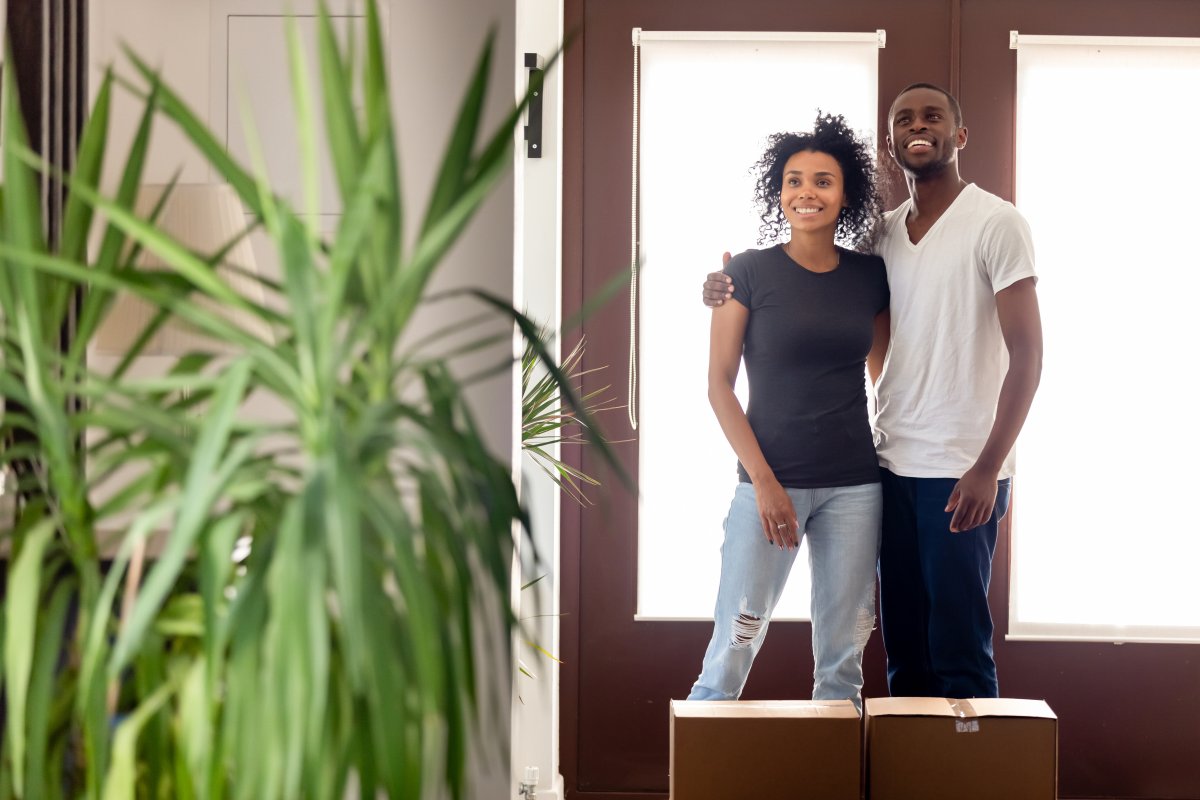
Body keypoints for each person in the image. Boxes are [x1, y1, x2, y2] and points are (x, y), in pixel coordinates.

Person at [702, 84, 1043, 699]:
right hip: (886, 465)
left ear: (958, 135)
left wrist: (989, 465)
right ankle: (903, 774)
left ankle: (971, 776)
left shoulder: (992, 224)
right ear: (890, 141)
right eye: (905, 119)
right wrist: (722, 286)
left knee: (945, 645)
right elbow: (831, 328)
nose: (919, 126)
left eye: (933, 116)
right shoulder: (877, 241)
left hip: (949, 470)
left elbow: (1023, 354)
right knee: (897, 645)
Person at [687, 113, 889, 712]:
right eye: (795, 180)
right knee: (733, 646)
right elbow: (719, 387)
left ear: (844, 192)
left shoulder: (869, 275)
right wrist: (767, 483)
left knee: (843, 660)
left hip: (855, 486)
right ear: (778, 192)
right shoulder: (746, 272)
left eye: (823, 181)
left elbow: (886, 375)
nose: (807, 192)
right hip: (767, 485)